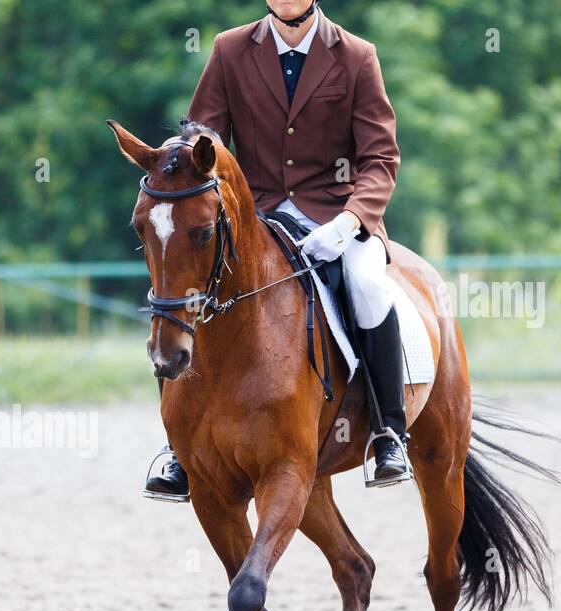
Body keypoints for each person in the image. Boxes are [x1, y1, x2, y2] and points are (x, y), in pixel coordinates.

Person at [144, 0, 409, 500]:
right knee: (179, 289)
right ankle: (177, 450)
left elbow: (380, 157)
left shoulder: (356, 55)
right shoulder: (229, 50)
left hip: (336, 215)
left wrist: (351, 220)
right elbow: (206, 137)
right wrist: (186, 152)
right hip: (258, 214)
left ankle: (389, 431)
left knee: (370, 286)